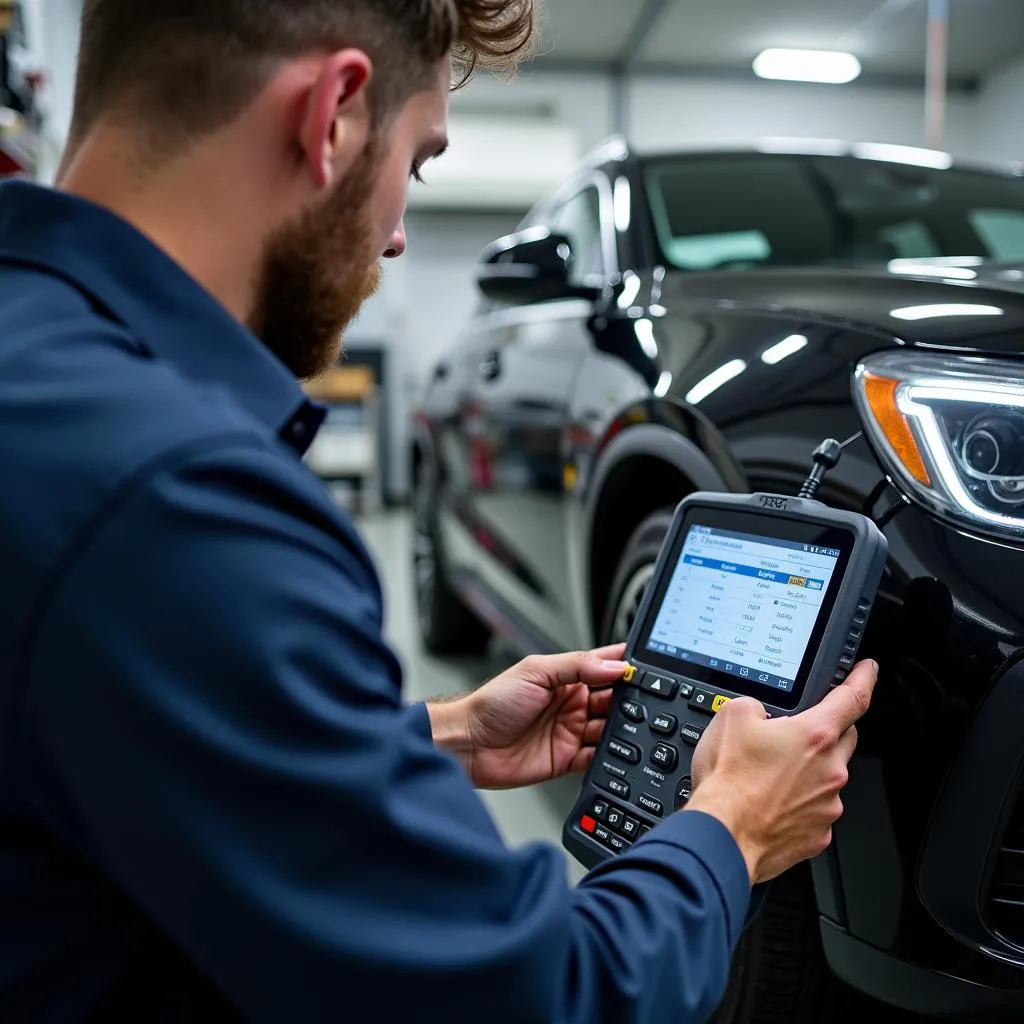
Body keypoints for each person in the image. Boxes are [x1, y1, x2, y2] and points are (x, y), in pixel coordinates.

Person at [0, 2, 878, 1021]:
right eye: (414, 165)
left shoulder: (52, 380)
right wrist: (728, 827)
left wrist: (438, 734)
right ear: (331, 114)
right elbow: (533, 997)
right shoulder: (179, 497)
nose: (402, 235)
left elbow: (127, 730)